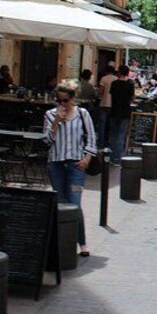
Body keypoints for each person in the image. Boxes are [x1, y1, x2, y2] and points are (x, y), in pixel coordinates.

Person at [42, 84, 97, 257]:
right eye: (59, 100)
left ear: (73, 99)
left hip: (76, 167)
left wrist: (87, 158)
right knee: (61, 202)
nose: (62, 104)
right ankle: (63, 241)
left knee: (75, 202)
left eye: (65, 100)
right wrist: (56, 122)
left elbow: (92, 138)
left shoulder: (83, 114)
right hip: (56, 165)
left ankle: (82, 242)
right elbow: (47, 141)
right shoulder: (50, 115)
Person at [108, 66, 135, 165]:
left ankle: (111, 157)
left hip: (114, 111)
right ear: (127, 74)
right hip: (125, 112)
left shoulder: (114, 83)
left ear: (119, 73)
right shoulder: (130, 85)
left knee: (113, 135)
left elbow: (112, 96)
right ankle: (118, 158)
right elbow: (132, 98)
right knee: (121, 135)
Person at [97, 65, 117, 147]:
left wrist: (99, 94)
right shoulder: (116, 79)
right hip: (113, 104)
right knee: (111, 124)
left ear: (106, 71)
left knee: (102, 124)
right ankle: (109, 141)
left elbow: (100, 91)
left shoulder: (104, 78)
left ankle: (101, 142)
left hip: (104, 103)